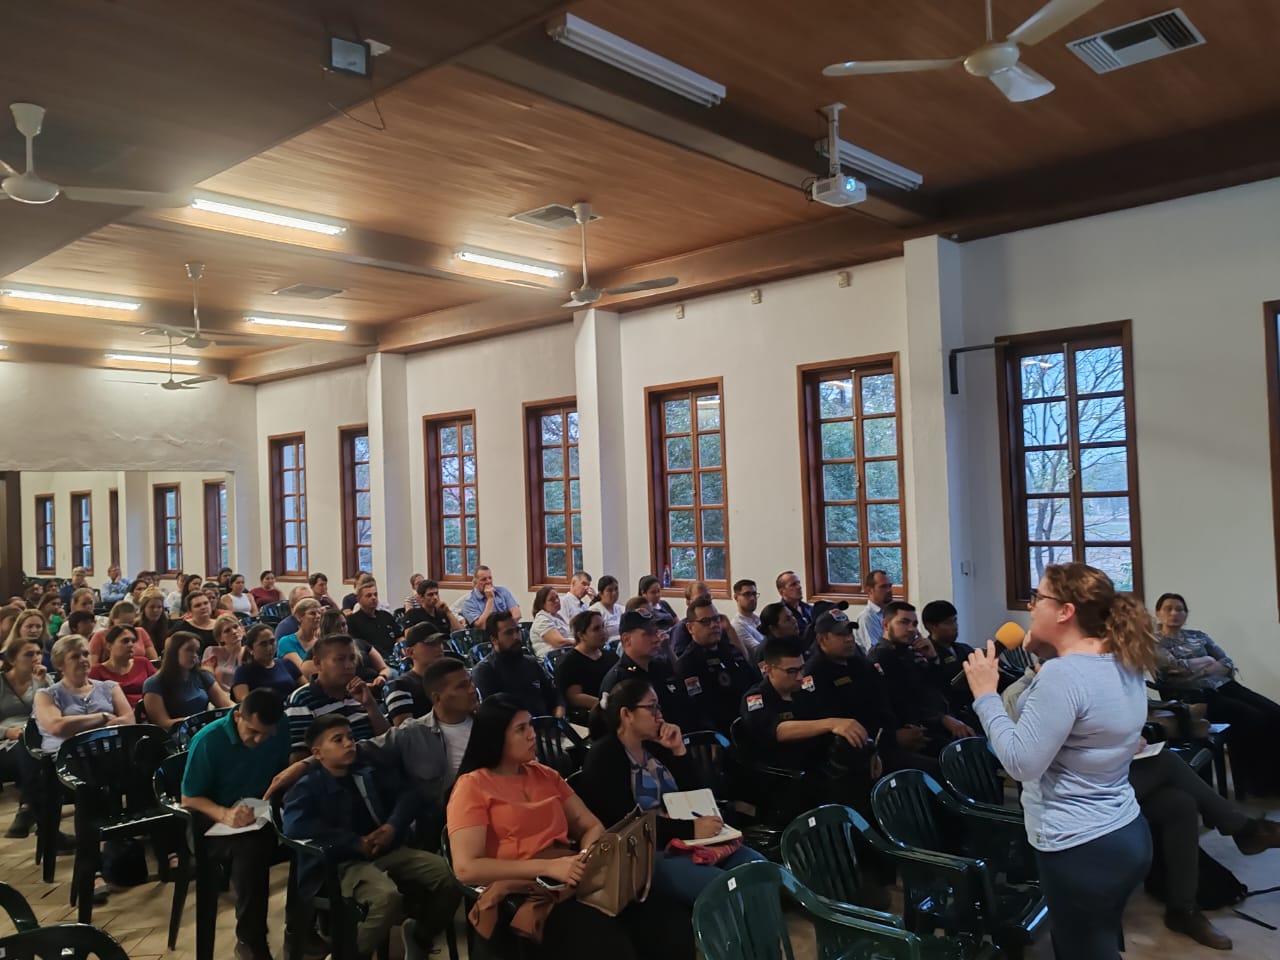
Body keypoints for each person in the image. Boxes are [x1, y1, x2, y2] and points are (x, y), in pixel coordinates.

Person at [1001, 661, 1280, 949]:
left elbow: (1103, 728)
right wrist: (1117, 746)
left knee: (1179, 804)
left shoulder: (1085, 677)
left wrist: (1127, 739)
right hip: (1073, 795)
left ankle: (1183, 910)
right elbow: (1028, 759)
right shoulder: (1019, 694)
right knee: (1166, 761)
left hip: (1110, 778)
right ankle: (1244, 829)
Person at [963, 562, 1156, 960]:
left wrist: (985, 696)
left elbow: (1020, 764)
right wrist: (1048, 654)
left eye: (1038, 597)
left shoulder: (1064, 676)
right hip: (1123, 829)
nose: (1030, 606)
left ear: (1066, 611)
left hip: (1078, 844)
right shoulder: (1123, 659)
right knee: (1095, 944)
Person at [446, 694, 696, 960]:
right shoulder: (473, 786)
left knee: (667, 920)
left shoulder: (544, 775)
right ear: (496, 737)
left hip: (572, 872)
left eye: (530, 725)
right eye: (521, 729)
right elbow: (467, 867)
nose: (532, 734)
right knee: (607, 943)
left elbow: (590, 825)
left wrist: (586, 855)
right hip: (527, 886)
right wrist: (547, 867)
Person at [283, 714, 459, 960]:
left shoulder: (367, 770)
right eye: (338, 740)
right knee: (386, 897)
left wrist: (391, 827)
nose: (349, 743)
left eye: (350, 737)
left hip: (385, 849)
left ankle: (420, 935)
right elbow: (296, 828)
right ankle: (349, 955)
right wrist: (355, 843)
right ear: (318, 753)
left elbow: (409, 794)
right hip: (340, 864)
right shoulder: (308, 787)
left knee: (452, 876)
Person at [577, 676, 764, 906]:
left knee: (760, 869)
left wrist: (679, 751)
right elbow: (625, 821)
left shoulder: (655, 746)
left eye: (659, 707)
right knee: (727, 890)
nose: (659, 715)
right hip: (646, 852)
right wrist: (691, 828)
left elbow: (695, 795)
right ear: (627, 715)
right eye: (651, 708)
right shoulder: (604, 755)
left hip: (687, 838)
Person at [181, 689, 292, 960]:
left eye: (266, 734)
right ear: (238, 715)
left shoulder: (281, 727)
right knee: (252, 848)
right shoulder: (209, 740)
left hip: (260, 810)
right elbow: (189, 798)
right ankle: (251, 939)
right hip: (210, 821)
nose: (259, 740)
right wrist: (224, 814)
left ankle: (304, 926)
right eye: (253, 731)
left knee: (309, 834)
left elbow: (281, 771)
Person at [1151, 591, 1280, 796]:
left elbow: (1227, 663)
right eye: (1168, 609)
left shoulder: (1198, 636)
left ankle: (1274, 780)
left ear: (1186, 614)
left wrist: (1200, 669)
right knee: (1253, 718)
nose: (1174, 613)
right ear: (1158, 613)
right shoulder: (1154, 642)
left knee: (1275, 713)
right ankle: (1255, 784)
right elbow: (1174, 668)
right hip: (1193, 696)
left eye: (1180, 609)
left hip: (1225, 686)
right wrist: (1208, 661)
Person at [739, 636, 878, 817]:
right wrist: (831, 723)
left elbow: (827, 721)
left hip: (817, 765)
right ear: (768, 669)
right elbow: (778, 731)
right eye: (791, 671)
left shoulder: (803, 694)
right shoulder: (756, 699)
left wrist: (869, 750)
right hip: (783, 775)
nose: (800, 676)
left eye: (801, 668)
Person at [869, 602, 975, 756]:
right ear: (885, 625)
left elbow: (940, 689)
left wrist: (933, 659)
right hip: (914, 731)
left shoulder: (911, 652)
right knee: (963, 755)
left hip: (940, 719)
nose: (911, 629)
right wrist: (941, 719)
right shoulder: (882, 656)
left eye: (914, 624)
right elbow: (904, 702)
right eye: (904, 622)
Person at [285, 634, 389, 762]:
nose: (349, 665)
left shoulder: (358, 692)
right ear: (318, 663)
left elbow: (387, 740)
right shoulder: (301, 700)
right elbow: (300, 759)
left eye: (352, 658)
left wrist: (370, 704)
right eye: (340, 659)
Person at [598, 609, 702, 733]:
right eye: (648, 634)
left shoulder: (660, 667)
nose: (656, 639)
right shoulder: (619, 680)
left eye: (656, 632)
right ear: (626, 639)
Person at [34, 635, 134, 753]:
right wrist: (104, 717)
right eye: (75, 657)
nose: (83, 660)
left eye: (86, 654)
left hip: (111, 752)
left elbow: (129, 721)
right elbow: (57, 727)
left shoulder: (110, 687)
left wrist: (76, 726)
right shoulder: (46, 695)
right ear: (59, 664)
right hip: (68, 756)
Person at [673, 596, 756, 734]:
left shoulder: (731, 651)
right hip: (720, 734)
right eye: (705, 621)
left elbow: (753, 684)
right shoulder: (688, 664)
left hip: (749, 723)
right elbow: (697, 711)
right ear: (690, 628)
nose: (713, 625)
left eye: (716, 619)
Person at [1, 631, 53, 838]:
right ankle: (49, 833)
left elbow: (53, 711)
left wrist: (42, 684)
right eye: (29, 654)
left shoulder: (44, 680)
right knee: (33, 753)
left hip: (37, 738)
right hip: (5, 742)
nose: (36, 658)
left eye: (38, 653)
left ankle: (29, 810)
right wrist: (6, 731)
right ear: (12, 659)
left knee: (38, 754)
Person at [471, 611, 562, 718]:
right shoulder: (484, 671)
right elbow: (494, 714)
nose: (516, 637)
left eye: (517, 631)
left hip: (547, 724)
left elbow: (555, 696)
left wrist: (558, 715)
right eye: (509, 633)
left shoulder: (531, 663)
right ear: (494, 639)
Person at [142, 631, 232, 730]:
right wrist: (197, 721)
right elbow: (162, 723)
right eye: (189, 650)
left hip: (204, 728)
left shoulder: (203, 676)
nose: (194, 655)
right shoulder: (153, 683)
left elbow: (226, 706)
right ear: (174, 652)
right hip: (177, 734)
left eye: (196, 651)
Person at [555, 610, 619, 721]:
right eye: (596, 629)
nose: (603, 632)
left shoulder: (610, 656)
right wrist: (607, 705)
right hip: (591, 715)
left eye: (603, 627)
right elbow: (574, 697)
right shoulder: (570, 662)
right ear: (581, 635)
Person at [385, 625, 447, 725]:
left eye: (440, 642)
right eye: (430, 644)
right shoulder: (400, 686)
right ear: (410, 652)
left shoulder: (449, 678)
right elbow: (405, 730)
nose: (439, 648)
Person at [89, 624, 157, 708]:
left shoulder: (143, 663)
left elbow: (158, 691)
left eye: (133, 641)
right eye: (125, 641)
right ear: (109, 646)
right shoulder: (96, 671)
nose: (131, 645)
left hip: (148, 710)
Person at [232, 624, 303, 702]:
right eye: (263, 644)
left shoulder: (287, 664)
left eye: (272, 642)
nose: (269, 648)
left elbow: (305, 687)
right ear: (250, 649)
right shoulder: (243, 672)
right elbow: (244, 701)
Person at [345, 580, 403, 663]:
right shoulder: (352, 620)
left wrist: (403, 650)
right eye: (369, 595)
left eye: (375, 595)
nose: (373, 598)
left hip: (395, 658)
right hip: (373, 661)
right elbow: (357, 647)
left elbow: (399, 637)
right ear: (359, 599)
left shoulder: (386, 615)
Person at [88, 601, 157, 665]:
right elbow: (92, 665)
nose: (126, 628)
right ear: (113, 619)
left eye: (130, 623)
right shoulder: (100, 636)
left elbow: (154, 661)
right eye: (123, 623)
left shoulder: (141, 632)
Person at [276, 597, 323, 679]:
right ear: (299, 617)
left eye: (319, 613)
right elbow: (303, 670)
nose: (318, 616)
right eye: (312, 613)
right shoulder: (286, 642)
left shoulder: (321, 642)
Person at [201, 614, 246, 690]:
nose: (234, 632)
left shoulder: (251, 651)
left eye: (235, 627)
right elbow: (207, 680)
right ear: (220, 638)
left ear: (242, 629)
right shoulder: (212, 651)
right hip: (217, 693)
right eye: (227, 631)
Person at [529, 586, 573, 658]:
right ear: (542, 604)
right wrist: (580, 642)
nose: (557, 601)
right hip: (552, 659)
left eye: (557, 597)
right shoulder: (542, 620)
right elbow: (559, 642)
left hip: (564, 655)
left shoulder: (558, 616)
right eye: (552, 600)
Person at [856, 570, 894, 649]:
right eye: (883, 586)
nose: (889, 590)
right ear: (869, 590)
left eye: (890, 586)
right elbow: (876, 651)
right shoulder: (867, 617)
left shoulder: (893, 613)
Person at [729, 579, 764, 654]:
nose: (752, 598)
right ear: (736, 597)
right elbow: (757, 650)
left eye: (754, 594)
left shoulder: (760, 618)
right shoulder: (737, 625)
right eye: (747, 594)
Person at [775, 570, 814, 637]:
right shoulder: (781, 615)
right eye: (793, 585)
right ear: (782, 592)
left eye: (799, 583)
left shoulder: (809, 608)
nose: (799, 587)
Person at [589, 575, 625, 640]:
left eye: (616, 589)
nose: (614, 593)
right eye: (609, 590)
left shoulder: (622, 609)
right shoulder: (594, 611)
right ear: (600, 593)